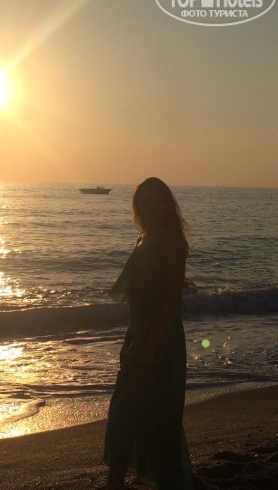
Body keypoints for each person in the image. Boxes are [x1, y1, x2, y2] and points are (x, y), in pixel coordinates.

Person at [104, 177, 193, 490]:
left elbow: (171, 302)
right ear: (137, 205)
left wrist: (152, 345)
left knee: (157, 422)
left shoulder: (171, 241)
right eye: (145, 200)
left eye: (157, 200)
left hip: (163, 343)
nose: (151, 206)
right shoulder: (143, 239)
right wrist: (130, 340)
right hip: (140, 339)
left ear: (167, 205)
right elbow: (138, 302)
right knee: (122, 417)